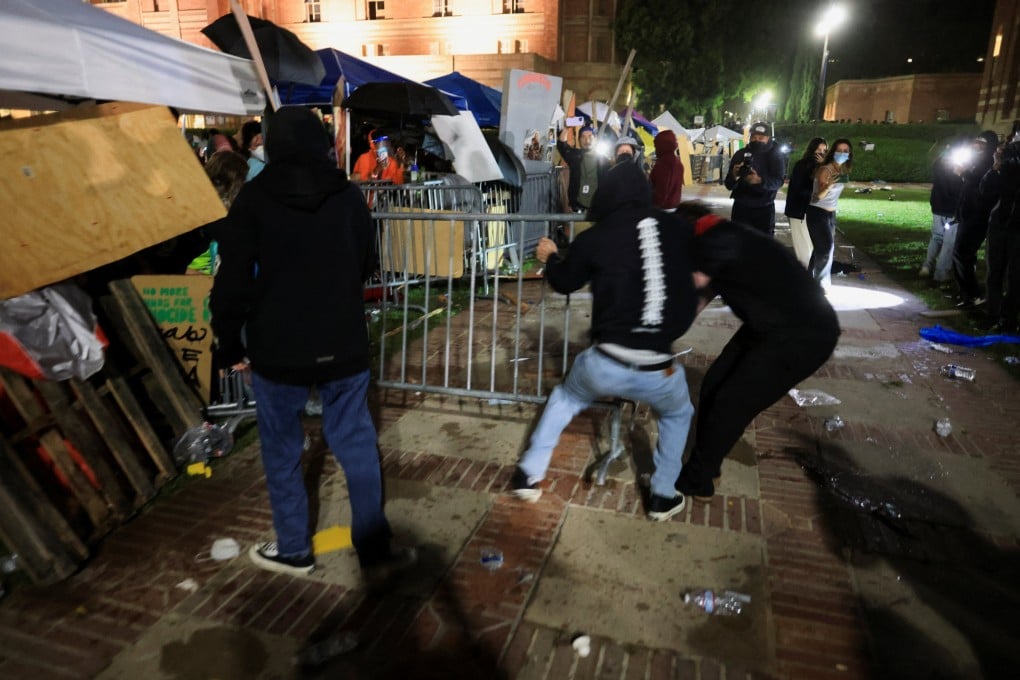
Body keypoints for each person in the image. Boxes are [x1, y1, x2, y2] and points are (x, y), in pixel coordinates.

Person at [210, 107, 414, 580]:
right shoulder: (347, 198)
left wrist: (229, 343)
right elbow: (367, 264)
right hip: (341, 342)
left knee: (282, 451)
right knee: (356, 444)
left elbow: (232, 283)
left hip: (278, 348)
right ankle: (373, 545)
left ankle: (295, 548)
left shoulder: (255, 200)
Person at [509, 161, 699, 521]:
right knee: (677, 413)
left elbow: (564, 281)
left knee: (565, 398)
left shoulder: (596, 236)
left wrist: (550, 257)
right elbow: (685, 288)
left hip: (605, 362)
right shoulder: (676, 228)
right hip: (659, 367)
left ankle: (528, 473)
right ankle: (662, 494)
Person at [672, 201, 840, 501]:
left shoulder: (711, 241)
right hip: (770, 323)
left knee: (730, 402)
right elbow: (696, 302)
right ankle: (708, 462)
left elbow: (688, 291)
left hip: (803, 335)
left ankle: (696, 479)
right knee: (713, 384)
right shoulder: (721, 236)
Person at [952, 131, 1000, 308]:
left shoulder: (990, 163)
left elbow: (984, 188)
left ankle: (973, 294)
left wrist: (964, 173)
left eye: (981, 142)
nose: (976, 145)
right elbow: (967, 190)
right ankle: (966, 294)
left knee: (961, 253)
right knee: (964, 255)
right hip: (967, 214)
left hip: (977, 216)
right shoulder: (976, 161)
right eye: (976, 141)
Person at [724, 121, 787, 236]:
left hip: (764, 208)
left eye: (761, 137)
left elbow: (778, 182)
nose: (757, 140)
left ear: (768, 138)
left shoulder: (775, 156)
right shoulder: (740, 154)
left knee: (763, 247)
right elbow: (728, 184)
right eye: (753, 137)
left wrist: (759, 180)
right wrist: (734, 175)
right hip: (741, 207)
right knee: (739, 245)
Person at [805, 138, 853, 289]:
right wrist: (829, 186)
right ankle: (820, 285)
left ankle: (809, 282)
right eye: (839, 150)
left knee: (821, 249)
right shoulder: (825, 170)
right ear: (833, 151)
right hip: (817, 214)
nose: (842, 153)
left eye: (846, 151)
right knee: (826, 249)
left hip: (830, 215)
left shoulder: (841, 169)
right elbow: (817, 196)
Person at [920, 148, 964, 282]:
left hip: (938, 207)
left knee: (936, 238)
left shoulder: (938, 165)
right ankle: (941, 274)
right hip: (951, 211)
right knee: (948, 242)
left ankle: (927, 266)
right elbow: (958, 189)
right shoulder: (956, 169)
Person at [784, 137, 827, 267]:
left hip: (814, 213)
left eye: (824, 150)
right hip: (800, 212)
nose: (821, 153)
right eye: (818, 149)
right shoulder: (803, 165)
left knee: (811, 247)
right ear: (812, 149)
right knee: (803, 248)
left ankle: (808, 276)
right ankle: (805, 278)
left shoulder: (823, 167)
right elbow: (799, 189)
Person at [556, 124, 607, 212]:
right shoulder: (575, 156)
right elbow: (562, 146)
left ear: (596, 139)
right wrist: (566, 128)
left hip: (599, 210)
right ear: (579, 140)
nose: (587, 140)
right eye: (583, 137)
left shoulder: (604, 160)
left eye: (590, 136)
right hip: (578, 209)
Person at [649, 129, 685, 212]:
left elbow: (662, 190)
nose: (655, 149)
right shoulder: (677, 162)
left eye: (656, 146)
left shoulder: (664, 164)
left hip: (663, 209)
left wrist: (653, 207)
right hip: (674, 207)